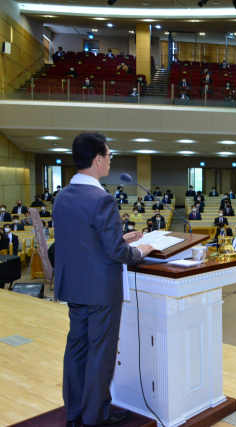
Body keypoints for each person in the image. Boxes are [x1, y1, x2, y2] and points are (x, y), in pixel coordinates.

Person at [53, 132, 154, 427]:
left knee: (77, 349)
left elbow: (83, 240)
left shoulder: (62, 196)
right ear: (98, 160)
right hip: (101, 291)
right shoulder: (102, 199)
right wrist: (138, 249)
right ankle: (94, 416)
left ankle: (74, 414)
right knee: (100, 354)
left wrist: (121, 237)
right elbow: (116, 253)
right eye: (109, 156)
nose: (110, 161)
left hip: (75, 286)